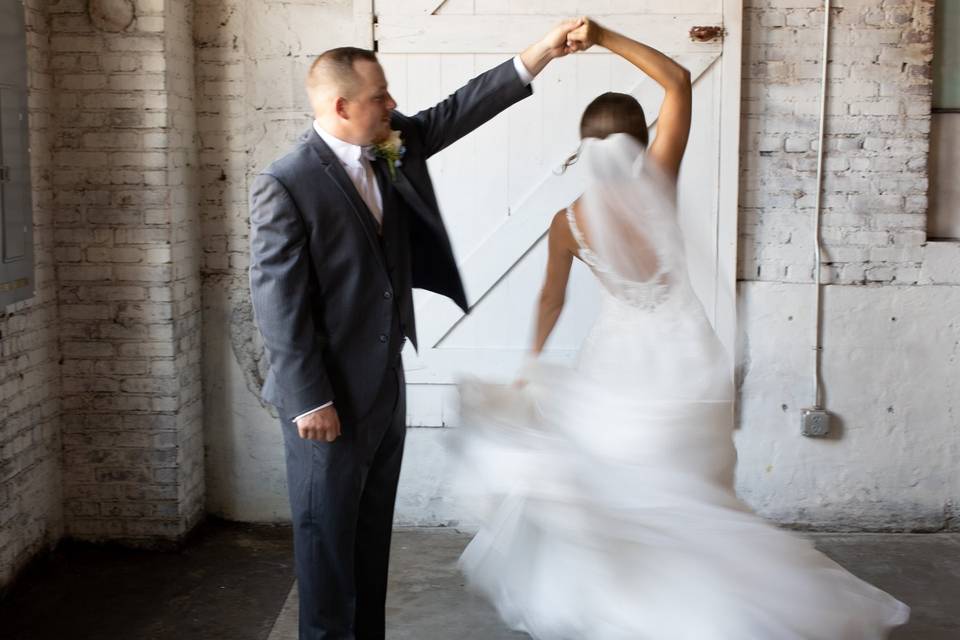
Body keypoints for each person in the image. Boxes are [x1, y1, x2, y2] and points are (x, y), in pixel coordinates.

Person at [455, 17, 910, 639]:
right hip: (688, 361)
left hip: (615, 364)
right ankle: (724, 601)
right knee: (695, 495)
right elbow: (676, 81)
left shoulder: (569, 222)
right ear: (642, 143)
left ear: (584, 150)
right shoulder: (659, 183)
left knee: (632, 496)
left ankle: (650, 605)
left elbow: (550, 300)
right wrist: (605, 37)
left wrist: (530, 365)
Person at [248, 19, 589, 640]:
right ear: (341, 105)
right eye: (381, 96)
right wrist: (310, 399)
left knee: (371, 531)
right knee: (325, 540)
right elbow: (277, 302)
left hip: (385, 382)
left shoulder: (388, 142)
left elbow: (456, 111)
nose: (393, 104)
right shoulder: (286, 183)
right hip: (324, 399)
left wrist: (540, 54)